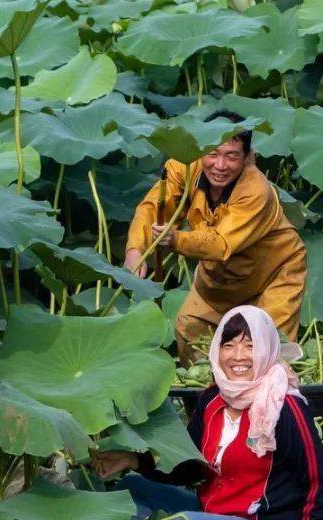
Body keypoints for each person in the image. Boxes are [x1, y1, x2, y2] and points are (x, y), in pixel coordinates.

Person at [92, 305, 323, 520]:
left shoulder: (285, 407)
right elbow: (188, 468)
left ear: (267, 349)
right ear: (217, 350)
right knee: (130, 489)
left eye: (250, 345)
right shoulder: (211, 400)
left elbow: (320, 488)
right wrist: (133, 461)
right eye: (228, 345)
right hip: (214, 513)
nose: (238, 356)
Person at [124, 110, 307, 363]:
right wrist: (135, 249)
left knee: (265, 352)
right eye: (213, 154)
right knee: (189, 331)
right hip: (219, 280)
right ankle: (206, 398)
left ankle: (273, 396)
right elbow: (153, 209)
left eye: (231, 156)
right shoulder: (183, 167)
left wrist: (177, 240)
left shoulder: (256, 189)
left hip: (274, 274)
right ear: (201, 149)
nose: (220, 166)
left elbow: (221, 243)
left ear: (248, 158)